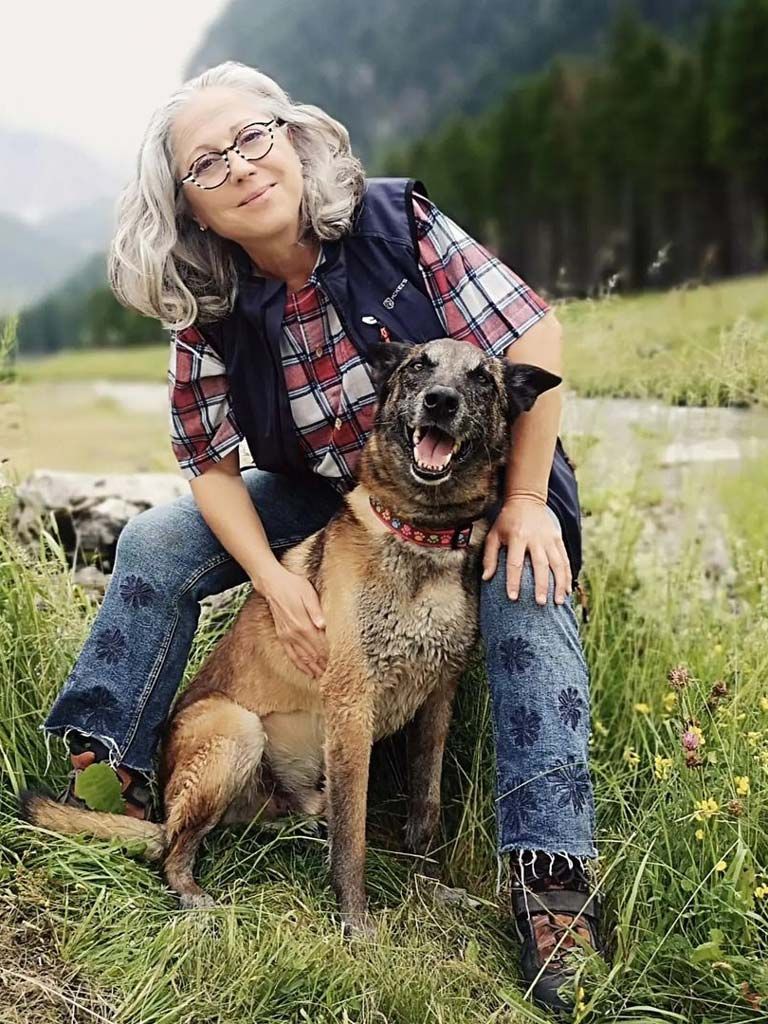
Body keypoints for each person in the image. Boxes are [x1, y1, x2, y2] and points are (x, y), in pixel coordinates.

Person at [38, 61, 603, 1014]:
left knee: (527, 592)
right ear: (192, 209)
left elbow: (534, 337)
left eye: (254, 136)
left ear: (295, 140)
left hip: (478, 489)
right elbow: (211, 467)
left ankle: (551, 876)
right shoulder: (206, 303)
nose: (241, 165)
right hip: (325, 497)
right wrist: (274, 579)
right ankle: (118, 771)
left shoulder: (397, 224)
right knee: (158, 544)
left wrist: (525, 498)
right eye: (206, 163)